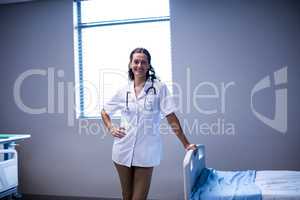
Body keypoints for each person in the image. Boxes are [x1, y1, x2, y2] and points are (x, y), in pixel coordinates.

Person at [101, 47, 196, 200]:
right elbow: (104, 111)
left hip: (146, 151)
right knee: (126, 195)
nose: (139, 65)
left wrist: (186, 143)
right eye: (136, 62)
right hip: (122, 149)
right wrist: (111, 127)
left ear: (149, 65)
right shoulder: (123, 90)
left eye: (143, 62)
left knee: (138, 198)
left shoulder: (159, 88)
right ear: (130, 64)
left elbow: (171, 117)